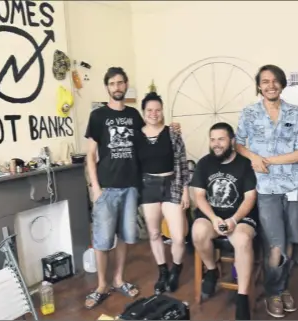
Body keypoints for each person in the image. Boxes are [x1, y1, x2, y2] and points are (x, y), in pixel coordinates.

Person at [84, 67, 181, 309]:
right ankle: (102, 285)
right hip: (106, 187)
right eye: (113, 83)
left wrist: (173, 129)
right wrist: (95, 187)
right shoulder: (97, 116)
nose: (117, 87)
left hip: (132, 187)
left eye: (121, 83)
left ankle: (118, 279)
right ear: (107, 86)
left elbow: (153, 134)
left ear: (126, 85)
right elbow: (90, 155)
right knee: (102, 240)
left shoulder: (135, 116)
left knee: (127, 237)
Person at [235, 64, 298, 318]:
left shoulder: (297, 112)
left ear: (281, 84)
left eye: (275, 81)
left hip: (293, 186)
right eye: (265, 81)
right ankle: (272, 290)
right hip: (266, 188)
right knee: (275, 244)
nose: (270, 85)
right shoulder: (249, 113)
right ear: (259, 86)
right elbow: (237, 144)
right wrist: (254, 157)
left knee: (291, 241)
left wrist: (268, 160)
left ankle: (282, 286)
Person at [191, 122, 258, 320]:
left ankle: (242, 297)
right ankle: (212, 270)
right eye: (212, 140)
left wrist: (234, 220)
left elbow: (250, 198)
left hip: (241, 217)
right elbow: (199, 196)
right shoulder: (204, 163)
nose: (216, 144)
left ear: (232, 141)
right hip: (212, 215)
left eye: (221, 139)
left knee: (243, 240)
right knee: (198, 231)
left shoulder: (245, 164)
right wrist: (213, 218)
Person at [135, 91, 190, 295]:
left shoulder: (173, 133)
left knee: (177, 236)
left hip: (172, 184)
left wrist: (185, 190)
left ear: (162, 112)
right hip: (147, 186)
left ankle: (176, 268)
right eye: (149, 110)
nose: (154, 113)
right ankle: (163, 272)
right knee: (154, 233)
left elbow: (183, 163)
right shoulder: (136, 136)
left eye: (157, 110)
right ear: (143, 112)